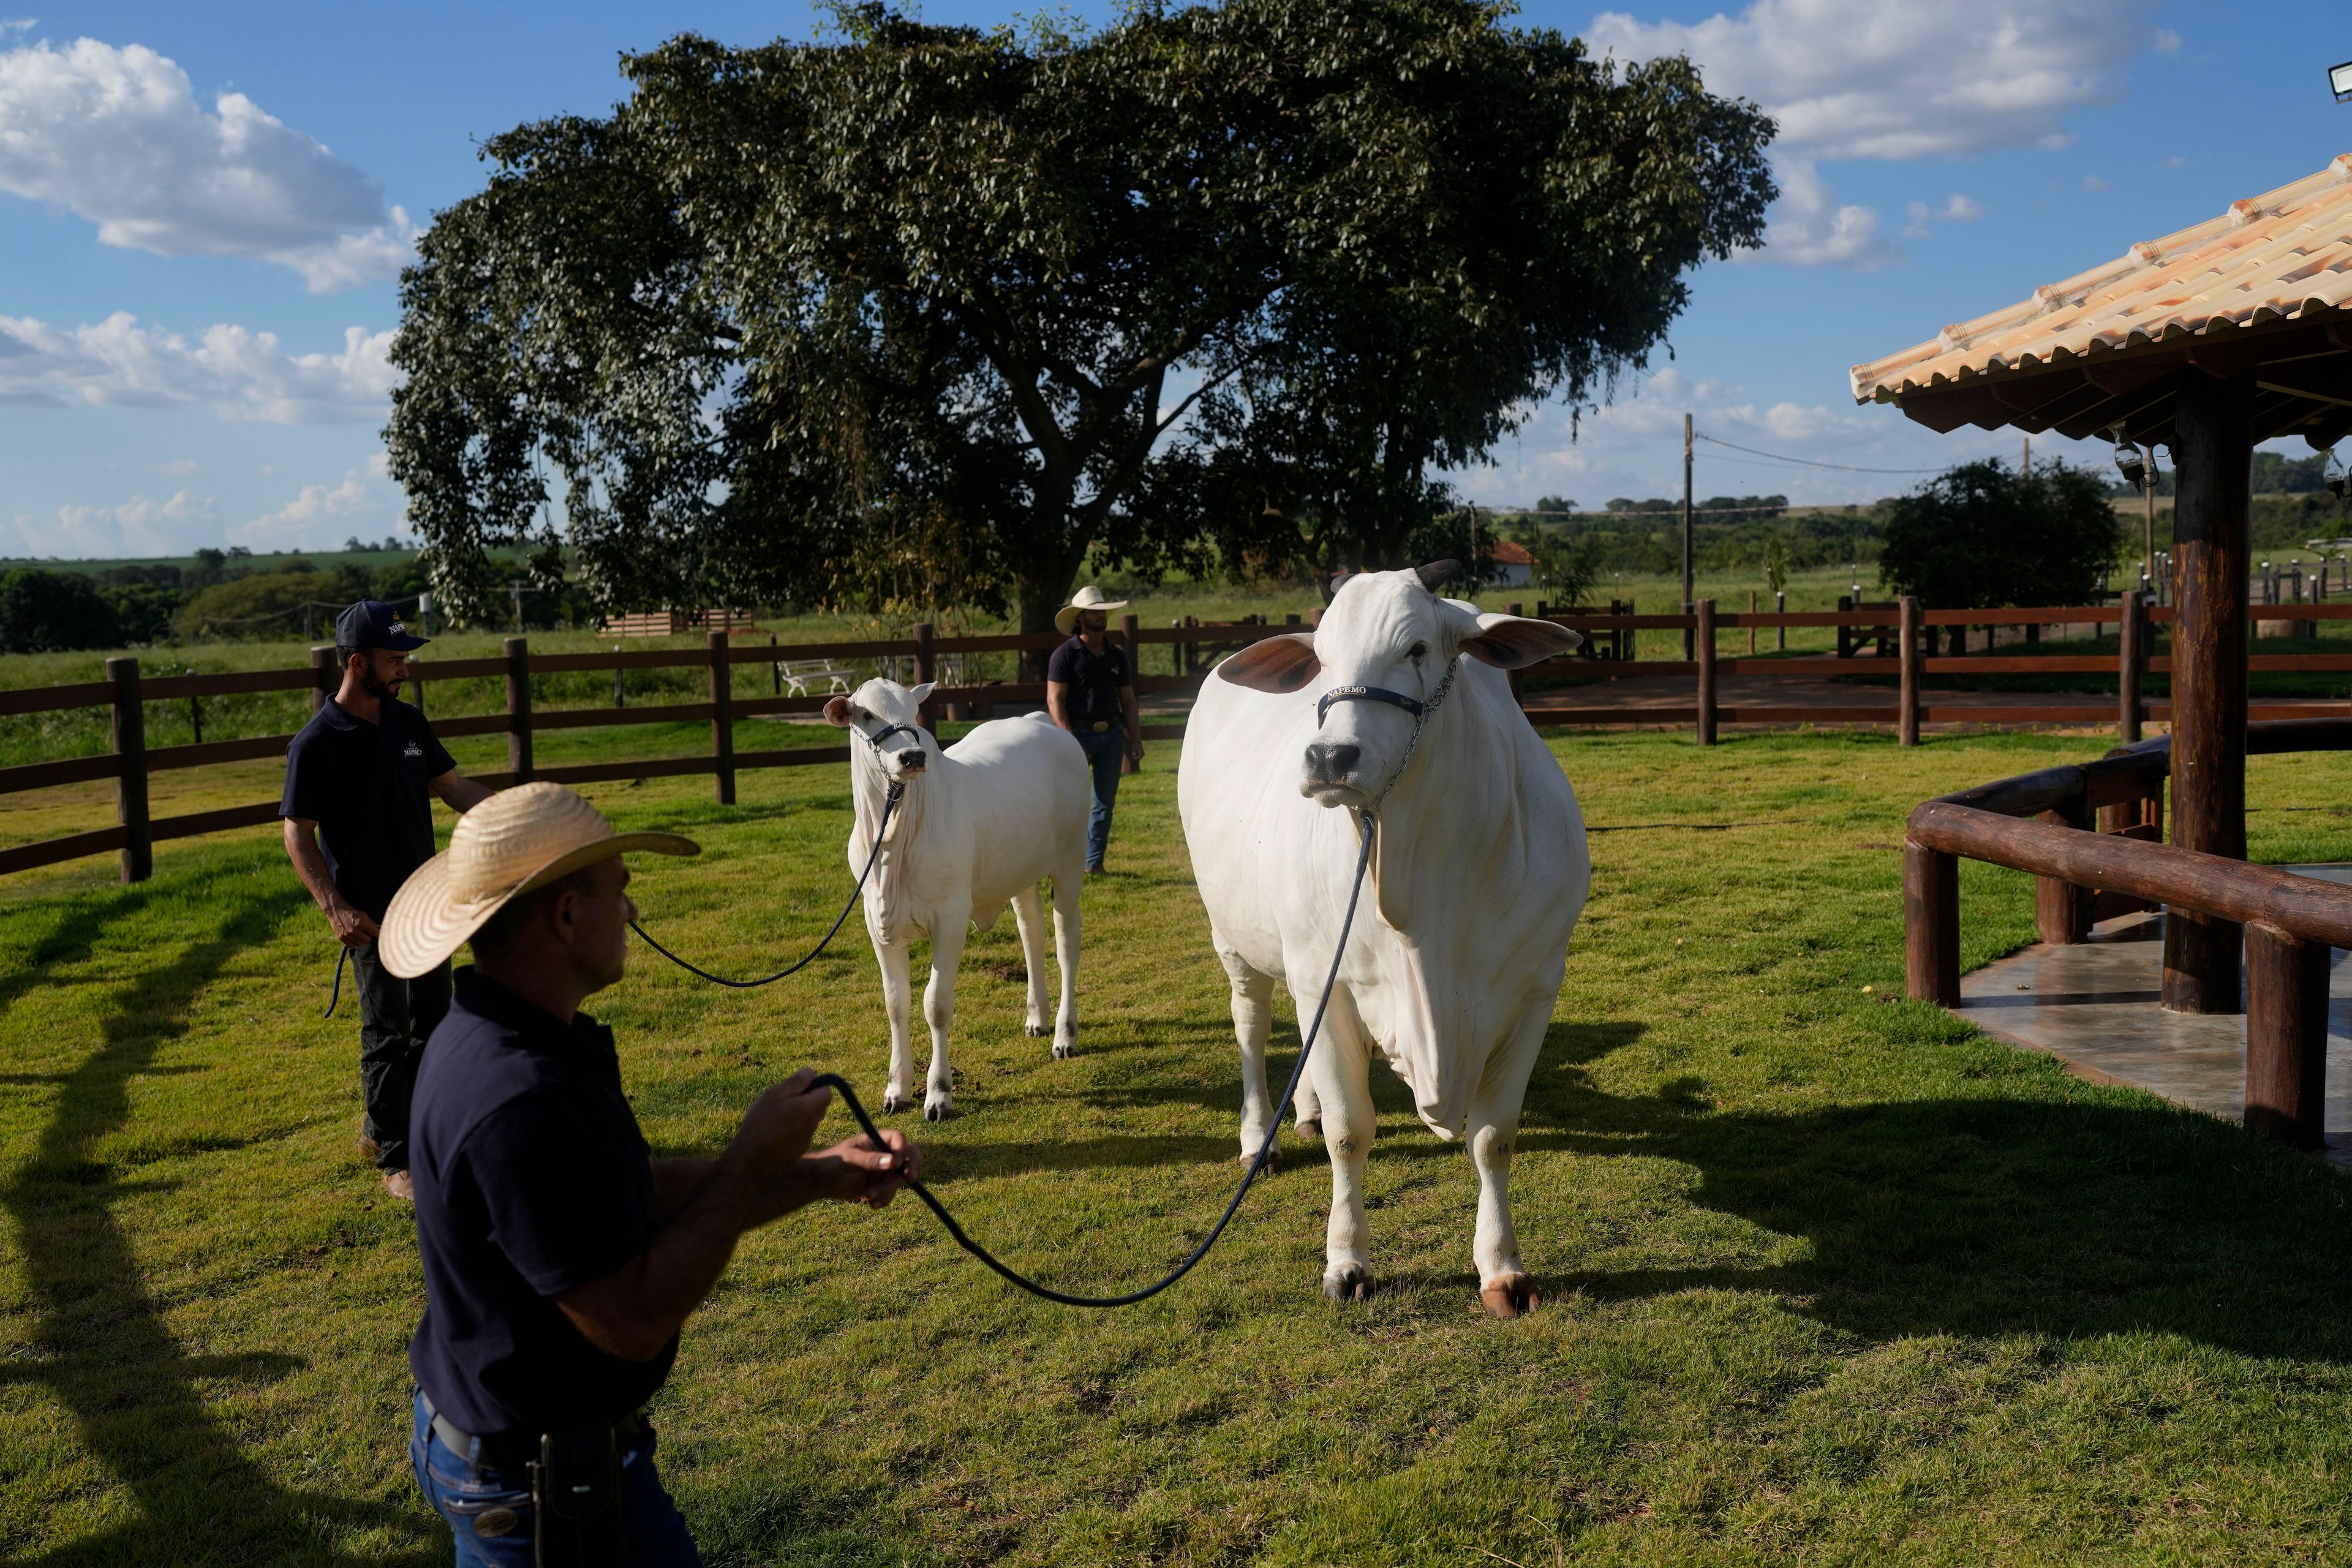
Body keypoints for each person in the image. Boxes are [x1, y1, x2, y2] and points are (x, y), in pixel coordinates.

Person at [379, 780, 919, 1567]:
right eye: (618, 892)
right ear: (567, 916)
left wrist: (822, 1172)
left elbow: (624, 1197)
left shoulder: (502, 1038)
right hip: (540, 1490)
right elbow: (631, 1318)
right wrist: (749, 1154)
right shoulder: (517, 1100)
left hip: (517, 1452)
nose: (630, 913)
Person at [282, 598, 492, 1200]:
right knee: (387, 1031)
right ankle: (397, 1162)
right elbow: (296, 831)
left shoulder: (408, 724)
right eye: (394, 659)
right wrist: (334, 906)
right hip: (371, 915)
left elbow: (452, 788)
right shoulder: (316, 743)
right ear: (357, 662)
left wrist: (518, 815)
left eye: (406, 658)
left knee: (435, 1023)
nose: (405, 669)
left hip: (430, 901)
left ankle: (402, 1132)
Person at [1044, 585, 1143, 873]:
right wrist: (1072, 741)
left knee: (1103, 803)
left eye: (1103, 612)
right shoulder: (1065, 655)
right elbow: (1055, 700)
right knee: (1068, 802)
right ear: (1080, 618)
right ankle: (1060, 862)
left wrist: (1135, 738)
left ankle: (1093, 863)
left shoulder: (1116, 656)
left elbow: (1128, 699)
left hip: (1112, 736)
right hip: (1077, 735)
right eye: (1094, 612)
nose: (1101, 617)